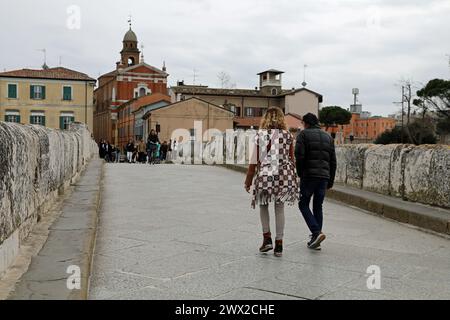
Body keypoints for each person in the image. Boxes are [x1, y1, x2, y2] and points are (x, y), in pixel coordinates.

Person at [244, 107, 298, 257]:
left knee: (263, 204)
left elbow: (254, 160)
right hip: (283, 173)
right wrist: (294, 178)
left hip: (266, 173)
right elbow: (292, 159)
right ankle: (279, 244)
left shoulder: (260, 135)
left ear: (265, 118)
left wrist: (248, 180)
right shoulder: (288, 135)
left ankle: (267, 238)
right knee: (279, 208)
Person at [295, 113, 336, 250]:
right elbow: (333, 161)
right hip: (324, 176)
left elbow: (299, 156)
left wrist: (300, 174)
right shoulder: (328, 137)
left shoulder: (303, 135)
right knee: (318, 206)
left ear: (306, 123)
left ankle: (316, 232)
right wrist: (330, 180)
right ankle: (315, 239)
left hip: (309, 175)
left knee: (303, 204)